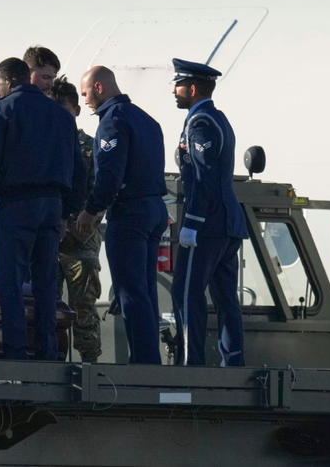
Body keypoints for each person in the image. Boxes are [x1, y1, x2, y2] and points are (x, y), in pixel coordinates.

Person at [0, 57, 81, 360]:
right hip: (51, 206)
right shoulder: (62, 116)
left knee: (11, 285)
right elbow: (78, 170)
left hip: (15, 206)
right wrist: (66, 212)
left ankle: (15, 355)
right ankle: (47, 354)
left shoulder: (0, 111)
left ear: (7, 81)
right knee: (46, 284)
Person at [73, 66, 167, 365]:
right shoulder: (147, 120)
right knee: (146, 291)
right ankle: (150, 359)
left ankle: (143, 366)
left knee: (130, 293)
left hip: (129, 215)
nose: (84, 100)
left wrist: (90, 211)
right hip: (154, 210)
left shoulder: (112, 122)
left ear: (99, 88)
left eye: (85, 93)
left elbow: (109, 176)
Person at [169, 58, 247, 367]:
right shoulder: (218, 118)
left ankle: (192, 365)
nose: (173, 91)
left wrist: (192, 224)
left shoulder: (200, 123)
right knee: (226, 299)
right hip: (226, 223)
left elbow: (204, 177)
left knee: (186, 293)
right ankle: (233, 363)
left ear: (191, 88)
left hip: (208, 225)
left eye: (177, 86)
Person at [48, 77, 104, 363]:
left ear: (76, 110)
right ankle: (54, 362)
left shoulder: (90, 147)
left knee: (83, 308)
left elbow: (99, 192)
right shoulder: (43, 145)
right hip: (49, 242)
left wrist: (74, 227)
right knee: (50, 308)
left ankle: (89, 365)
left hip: (80, 241)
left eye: (63, 108)